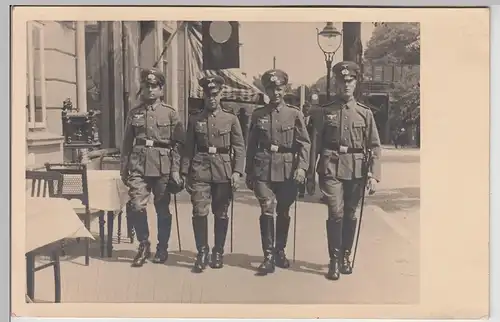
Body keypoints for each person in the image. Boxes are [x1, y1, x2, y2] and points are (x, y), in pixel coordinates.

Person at [306, 61, 382, 281]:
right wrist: (310, 174)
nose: (346, 85)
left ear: (356, 83)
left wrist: (373, 175)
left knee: (350, 212)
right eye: (342, 81)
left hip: (357, 169)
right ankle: (334, 259)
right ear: (336, 83)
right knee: (335, 212)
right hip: (330, 167)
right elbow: (315, 144)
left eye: (350, 81)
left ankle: (345, 256)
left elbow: (374, 145)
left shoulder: (365, 113)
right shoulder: (325, 111)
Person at [245, 69, 311, 275]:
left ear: (285, 89)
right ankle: (268, 256)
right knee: (267, 207)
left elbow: (305, 144)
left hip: (287, 168)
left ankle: (279, 250)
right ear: (266, 90)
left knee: (283, 210)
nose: (275, 93)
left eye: (279, 88)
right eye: (271, 89)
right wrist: (248, 172)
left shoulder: (294, 114)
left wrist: (302, 168)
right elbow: (251, 145)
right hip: (263, 167)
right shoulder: (258, 115)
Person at [120, 67, 185, 267]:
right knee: (136, 205)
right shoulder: (134, 113)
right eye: (146, 86)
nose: (149, 89)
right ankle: (143, 244)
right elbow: (126, 142)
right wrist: (124, 166)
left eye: (154, 86)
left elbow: (179, 144)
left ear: (161, 89)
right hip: (138, 164)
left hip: (163, 165)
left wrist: (176, 169)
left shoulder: (171, 114)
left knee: (162, 208)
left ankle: (162, 247)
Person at [181, 75, 245, 273]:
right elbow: (188, 148)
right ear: (204, 95)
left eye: (215, 94)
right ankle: (202, 251)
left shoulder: (231, 118)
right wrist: (184, 172)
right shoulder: (195, 119)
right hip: (200, 169)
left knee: (221, 212)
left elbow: (240, 148)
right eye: (208, 94)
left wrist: (237, 171)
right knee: (199, 211)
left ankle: (218, 251)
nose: (212, 98)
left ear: (220, 94)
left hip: (223, 170)